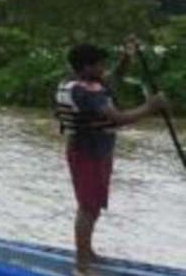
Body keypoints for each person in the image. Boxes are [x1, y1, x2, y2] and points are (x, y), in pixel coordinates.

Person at [55, 38, 167, 275]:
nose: (103, 69)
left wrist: (127, 57)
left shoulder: (76, 82)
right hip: (88, 154)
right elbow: (118, 118)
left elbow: (113, 77)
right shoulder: (86, 92)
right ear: (86, 68)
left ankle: (88, 252)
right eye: (99, 65)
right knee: (87, 207)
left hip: (96, 152)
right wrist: (150, 107)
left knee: (93, 205)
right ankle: (82, 267)